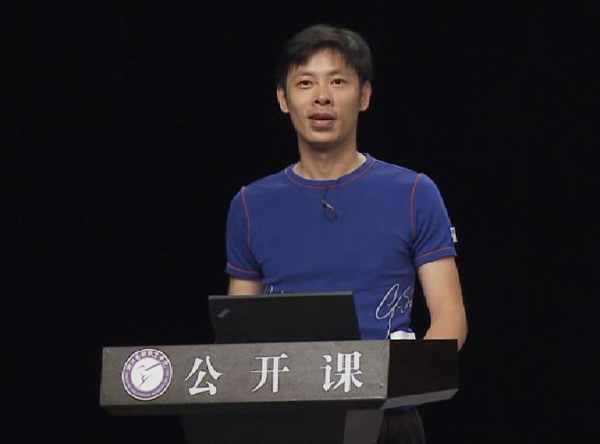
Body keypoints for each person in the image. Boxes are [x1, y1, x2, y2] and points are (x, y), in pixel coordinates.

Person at [224, 24, 467, 444]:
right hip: (285, 418)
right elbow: (238, 331)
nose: (322, 97)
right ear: (283, 98)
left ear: (365, 95)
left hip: (385, 417)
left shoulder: (414, 192)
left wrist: (402, 380)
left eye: (338, 81)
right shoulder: (249, 204)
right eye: (305, 83)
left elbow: (450, 316)